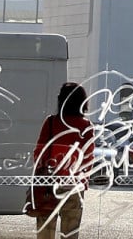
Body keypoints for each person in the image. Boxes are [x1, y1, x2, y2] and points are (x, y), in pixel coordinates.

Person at [31, 82, 92, 239]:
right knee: (70, 232)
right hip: (74, 185)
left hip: (48, 185)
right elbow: (88, 158)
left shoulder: (51, 122)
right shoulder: (86, 126)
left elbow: (39, 152)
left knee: (45, 232)